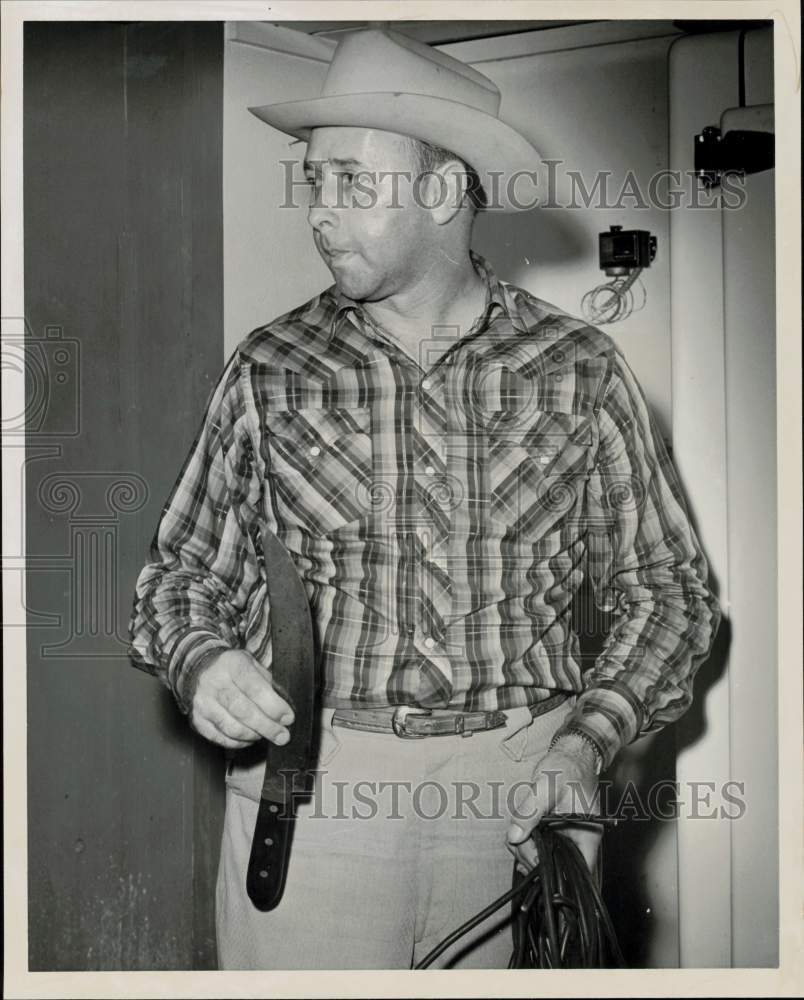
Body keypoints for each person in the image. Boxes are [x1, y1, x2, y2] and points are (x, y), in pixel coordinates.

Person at [128, 26, 720, 970]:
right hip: (314, 798)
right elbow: (180, 575)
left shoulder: (579, 370)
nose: (319, 213)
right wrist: (201, 661)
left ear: (444, 192)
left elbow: (669, 593)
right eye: (313, 182)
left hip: (525, 797)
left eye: (351, 184)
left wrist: (586, 741)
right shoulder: (270, 369)